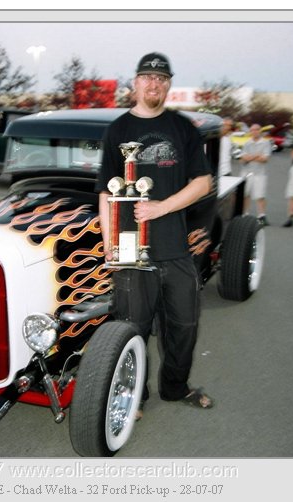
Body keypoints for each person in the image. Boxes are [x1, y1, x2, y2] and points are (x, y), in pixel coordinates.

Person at [96, 52, 214, 415]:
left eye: (161, 79)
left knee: (184, 326)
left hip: (176, 248)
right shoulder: (118, 130)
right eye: (147, 76)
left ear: (168, 85)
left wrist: (162, 207)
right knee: (133, 330)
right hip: (131, 253)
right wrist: (109, 247)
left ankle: (175, 389)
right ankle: (136, 397)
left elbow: (203, 183)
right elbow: (105, 192)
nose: (154, 83)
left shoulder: (182, 128)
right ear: (135, 82)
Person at [239, 123, 272, 225]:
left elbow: (265, 159)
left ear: (260, 131)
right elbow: (243, 158)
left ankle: (261, 215)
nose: (255, 132)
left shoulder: (265, 143)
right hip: (246, 172)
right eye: (252, 130)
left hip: (260, 173)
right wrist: (256, 156)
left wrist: (250, 157)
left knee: (260, 195)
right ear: (250, 131)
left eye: (257, 130)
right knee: (245, 194)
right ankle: (245, 214)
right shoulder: (247, 143)